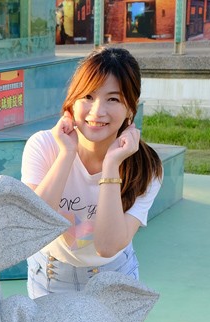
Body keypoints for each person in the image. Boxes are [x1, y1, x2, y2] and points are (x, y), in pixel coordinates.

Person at [21, 46, 163, 295]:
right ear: (72, 101)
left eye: (113, 99)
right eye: (88, 96)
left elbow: (107, 247)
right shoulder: (43, 146)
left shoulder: (146, 167)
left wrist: (111, 166)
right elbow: (33, 227)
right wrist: (67, 154)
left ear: (131, 107)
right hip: (50, 278)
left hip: (113, 278)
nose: (97, 111)